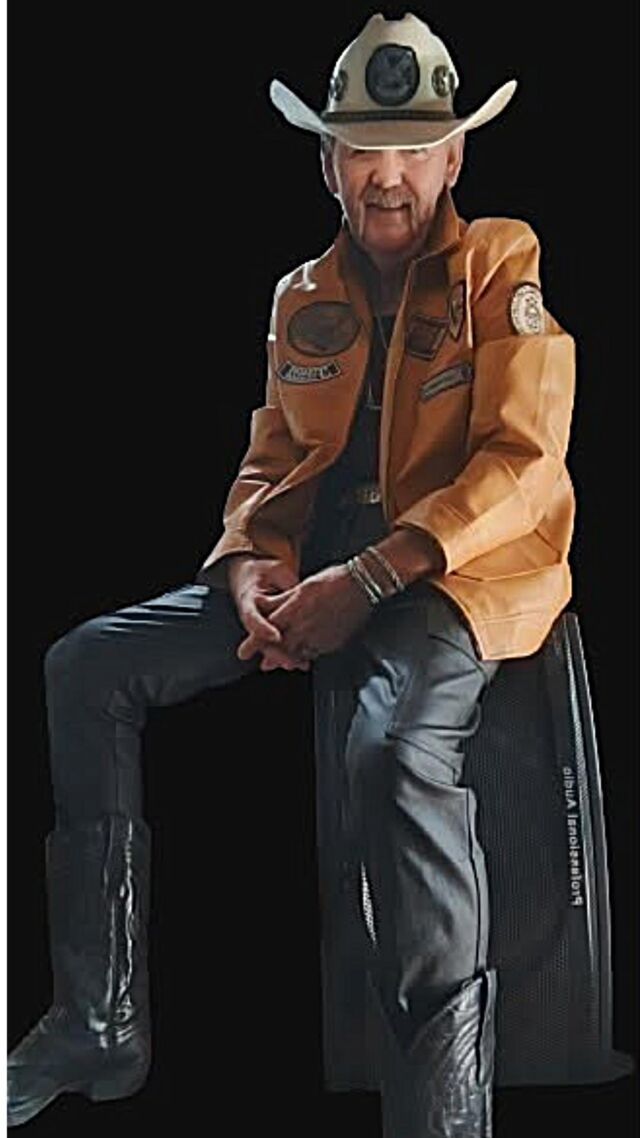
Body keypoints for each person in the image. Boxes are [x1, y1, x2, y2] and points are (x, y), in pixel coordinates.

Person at [6, 11, 576, 1136]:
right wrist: (253, 570)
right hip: (317, 567)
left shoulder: (500, 263)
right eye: (363, 149)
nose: (388, 176)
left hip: (447, 572)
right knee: (84, 668)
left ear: (453, 158)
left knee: (393, 753)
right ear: (328, 162)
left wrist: (367, 581)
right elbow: (272, 458)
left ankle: (442, 1112)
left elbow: (524, 461)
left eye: (414, 150)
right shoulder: (301, 295)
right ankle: (96, 1023)